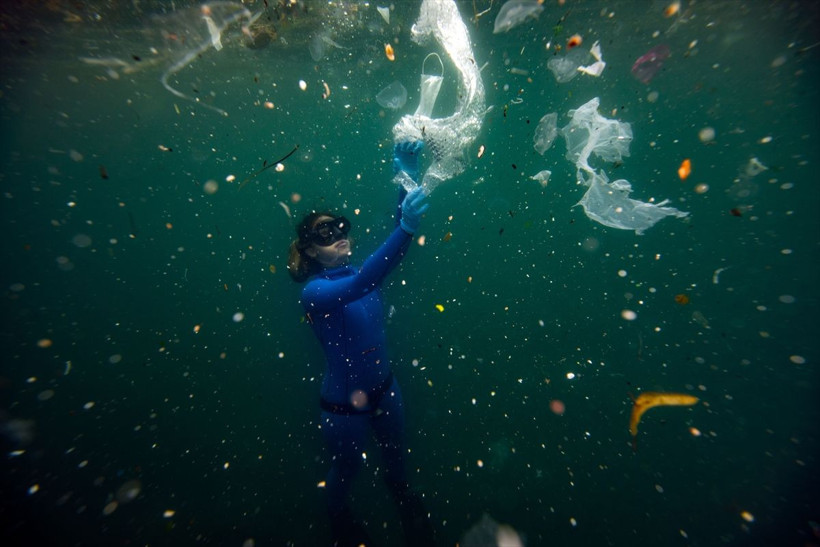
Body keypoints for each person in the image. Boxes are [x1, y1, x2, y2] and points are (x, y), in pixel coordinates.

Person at [287, 141, 434, 546]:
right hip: (341, 408)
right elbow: (368, 278)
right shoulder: (315, 293)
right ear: (310, 250)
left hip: (386, 389)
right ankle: (337, 518)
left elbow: (386, 246)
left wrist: (406, 175)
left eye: (339, 227)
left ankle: (406, 506)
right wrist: (405, 227)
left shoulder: (356, 272)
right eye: (324, 233)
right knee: (347, 468)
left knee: (396, 459)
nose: (337, 235)